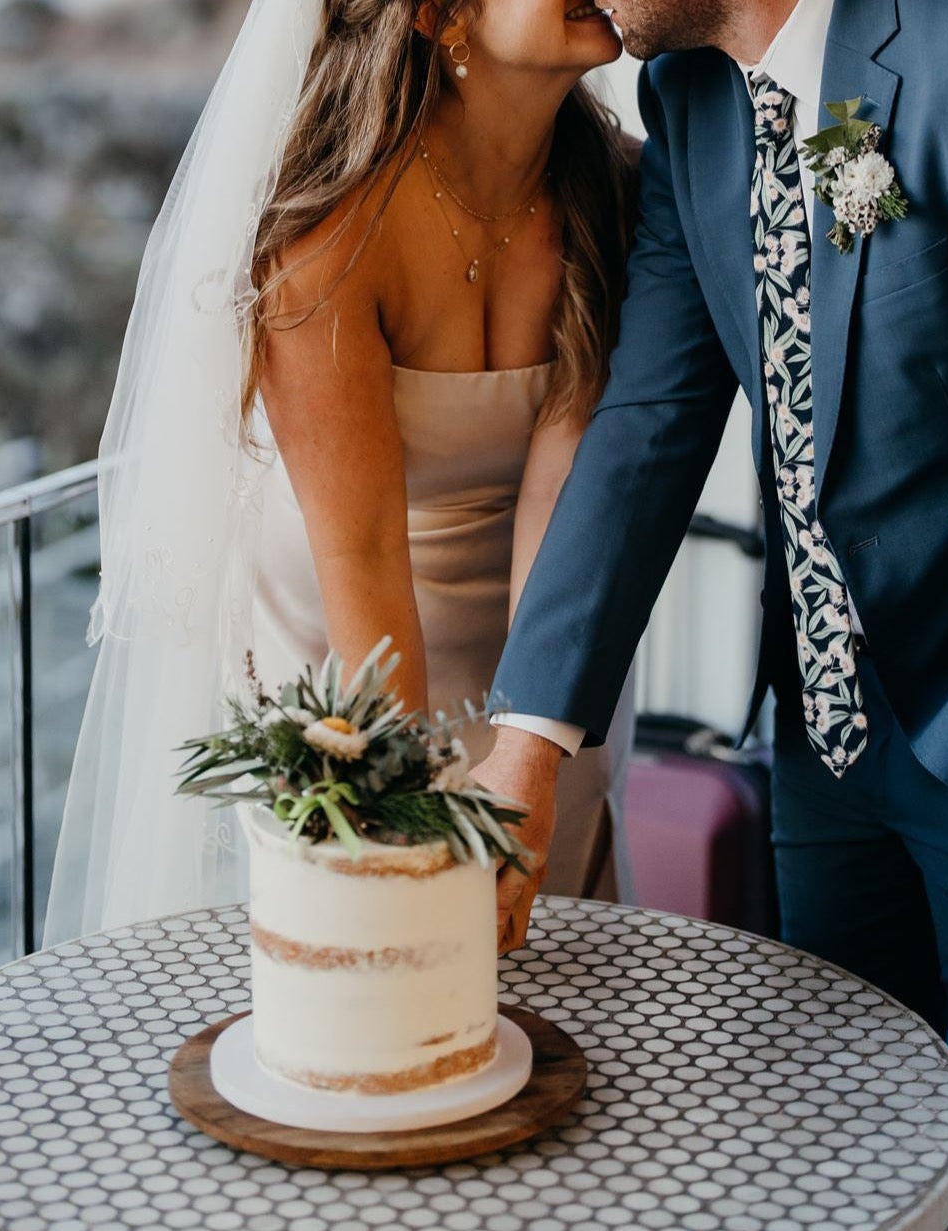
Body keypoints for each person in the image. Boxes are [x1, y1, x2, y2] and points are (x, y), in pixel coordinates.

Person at [473, 0, 948, 1226]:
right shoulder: (694, 102)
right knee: (833, 1160)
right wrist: (528, 740)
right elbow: (652, 421)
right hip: (827, 744)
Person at [45, 0, 639, 946]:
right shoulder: (327, 235)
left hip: (539, 650)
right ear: (444, 15)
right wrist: (405, 813)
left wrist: (535, 749)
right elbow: (362, 554)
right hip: (349, 657)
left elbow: (566, 497)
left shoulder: (615, 195)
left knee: (560, 973)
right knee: (384, 968)